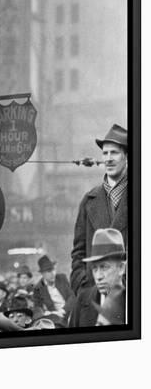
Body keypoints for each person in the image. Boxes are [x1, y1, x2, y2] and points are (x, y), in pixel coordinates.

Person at [71, 124, 127, 294]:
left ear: (127, 156)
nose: (108, 159)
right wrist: (83, 286)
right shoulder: (89, 200)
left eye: (114, 153)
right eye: (105, 153)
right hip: (94, 294)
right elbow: (78, 252)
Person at [69, 228, 126, 327]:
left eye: (104, 267)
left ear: (121, 268)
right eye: (94, 269)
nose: (98, 277)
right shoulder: (82, 300)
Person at [33, 255, 75, 327]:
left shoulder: (62, 278)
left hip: (69, 312)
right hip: (55, 318)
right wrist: (47, 313)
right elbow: (37, 308)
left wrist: (63, 310)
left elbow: (72, 296)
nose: (53, 273)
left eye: (53, 269)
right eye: (49, 271)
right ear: (43, 274)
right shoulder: (38, 288)